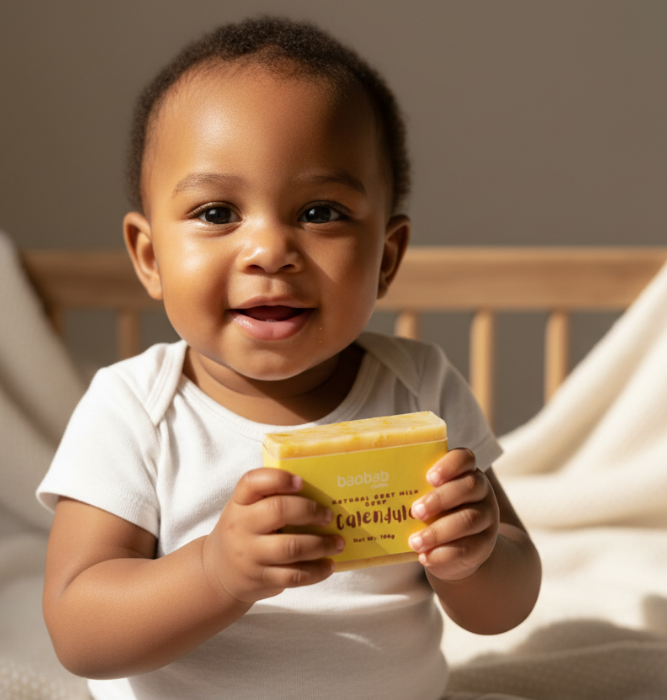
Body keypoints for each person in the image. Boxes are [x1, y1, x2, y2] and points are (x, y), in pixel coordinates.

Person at [37, 16, 541, 700]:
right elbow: (79, 629)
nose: (270, 250)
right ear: (150, 257)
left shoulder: (418, 384)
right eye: (217, 213)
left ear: (386, 257)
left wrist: (475, 554)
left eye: (321, 212)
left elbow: (503, 608)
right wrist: (216, 572)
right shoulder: (132, 407)